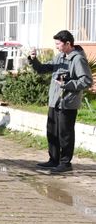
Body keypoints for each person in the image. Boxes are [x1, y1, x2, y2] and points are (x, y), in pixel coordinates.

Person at [29, 30, 94, 173]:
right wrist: (33, 60)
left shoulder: (78, 59)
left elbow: (87, 81)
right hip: (54, 101)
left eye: (58, 44)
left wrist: (67, 83)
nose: (56, 46)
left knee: (65, 134)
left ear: (68, 43)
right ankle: (53, 160)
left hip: (67, 103)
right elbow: (43, 69)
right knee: (52, 131)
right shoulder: (59, 57)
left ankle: (65, 163)